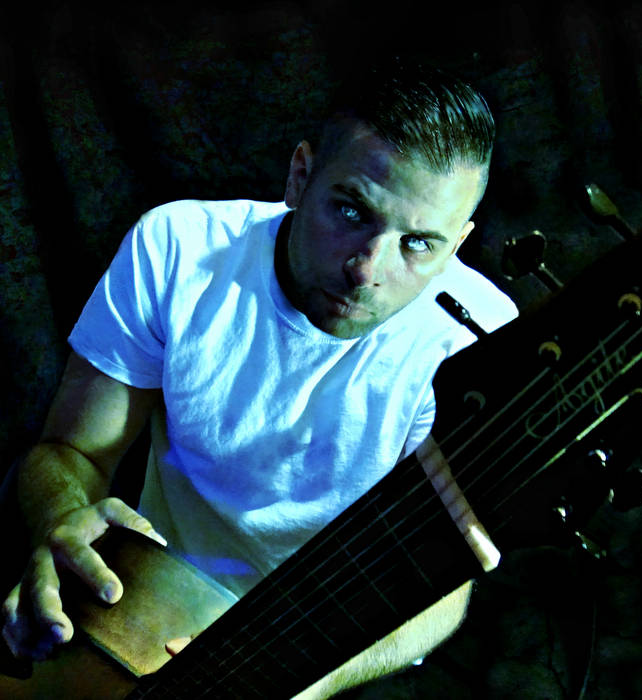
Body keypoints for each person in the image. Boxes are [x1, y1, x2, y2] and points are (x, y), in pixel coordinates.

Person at [1, 58, 517, 697]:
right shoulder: (181, 246)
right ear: (300, 176)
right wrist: (63, 523)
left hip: (338, 657)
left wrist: (300, 683)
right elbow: (70, 451)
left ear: (458, 244)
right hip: (145, 610)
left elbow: (442, 581)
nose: (367, 270)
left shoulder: (477, 340)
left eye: (419, 245)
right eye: (351, 211)